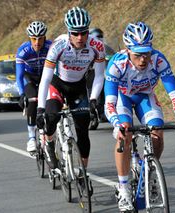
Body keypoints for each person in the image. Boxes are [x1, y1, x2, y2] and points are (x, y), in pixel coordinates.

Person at [104, 21, 175, 211]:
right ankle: (124, 188)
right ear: (128, 50)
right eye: (138, 55)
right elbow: (109, 102)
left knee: (157, 133)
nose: (143, 60)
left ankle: (151, 173)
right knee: (125, 135)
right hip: (123, 98)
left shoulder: (158, 60)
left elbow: (174, 93)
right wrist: (116, 123)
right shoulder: (116, 64)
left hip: (145, 97)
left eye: (147, 53)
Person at [36, 7, 106, 169]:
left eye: (84, 32)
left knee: (83, 130)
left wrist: (94, 98)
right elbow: (45, 79)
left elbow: (99, 75)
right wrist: (40, 109)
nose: (80, 37)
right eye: (75, 33)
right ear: (68, 33)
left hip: (78, 87)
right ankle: (50, 142)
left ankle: (83, 171)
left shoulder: (97, 47)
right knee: (51, 117)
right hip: (57, 84)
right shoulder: (58, 46)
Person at [16, 21, 52, 152]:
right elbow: (19, 76)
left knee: (51, 101)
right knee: (32, 100)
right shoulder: (23, 51)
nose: (37, 42)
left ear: (45, 38)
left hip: (45, 76)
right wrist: (21, 94)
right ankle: (31, 138)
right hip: (29, 77)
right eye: (34, 39)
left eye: (40, 38)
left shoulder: (50, 47)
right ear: (29, 39)